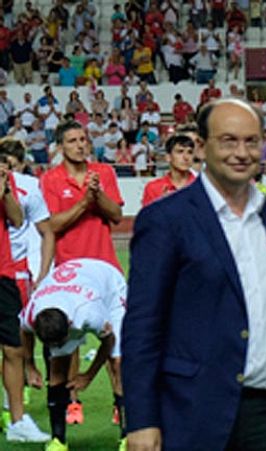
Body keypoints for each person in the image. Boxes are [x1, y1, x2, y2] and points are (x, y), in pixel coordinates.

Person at [123, 98, 266, 451]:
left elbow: (257, 305)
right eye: (228, 141)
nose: (241, 153)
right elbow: (142, 325)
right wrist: (141, 419)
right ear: (201, 146)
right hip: (194, 407)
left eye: (251, 141)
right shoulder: (166, 219)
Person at [39, 119, 124, 425]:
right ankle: (72, 403)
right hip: (69, 272)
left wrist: (98, 195)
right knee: (67, 344)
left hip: (106, 269)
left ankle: (120, 405)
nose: (79, 145)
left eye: (83, 139)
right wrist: (84, 202)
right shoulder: (50, 179)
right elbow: (52, 225)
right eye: (72, 140)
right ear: (60, 146)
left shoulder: (104, 173)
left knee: (116, 344)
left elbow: (116, 215)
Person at [20, 258, 128, 451]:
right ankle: (58, 440)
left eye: (62, 342)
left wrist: (88, 375)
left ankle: (127, 436)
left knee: (117, 362)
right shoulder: (32, 312)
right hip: (70, 289)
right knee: (57, 367)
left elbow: (108, 340)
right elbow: (24, 332)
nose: (60, 346)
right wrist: (30, 365)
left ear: (70, 324)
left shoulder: (89, 313)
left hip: (110, 286)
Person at [0, 154, 48, 443]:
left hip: (3, 273)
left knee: (14, 349)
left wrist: (5, 190)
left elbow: (17, 221)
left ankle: (17, 422)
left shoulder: (7, 186)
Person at [141, 134, 197, 207]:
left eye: (190, 152)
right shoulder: (153, 188)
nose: (186, 157)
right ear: (168, 157)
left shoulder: (202, 187)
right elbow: (148, 214)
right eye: (180, 151)